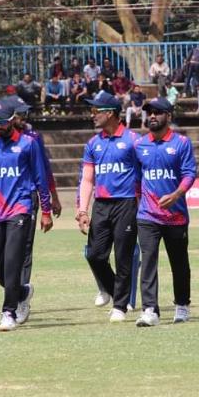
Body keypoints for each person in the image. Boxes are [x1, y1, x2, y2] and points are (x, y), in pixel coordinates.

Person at [0, 99, 53, 332]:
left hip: (20, 209)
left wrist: (46, 210)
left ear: (13, 119)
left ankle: (8, 312)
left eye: (3, 121)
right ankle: (22, 292)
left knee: (12, 261)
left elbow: (40, 178)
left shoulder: (27, 144)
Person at [76, 91, 141, 322]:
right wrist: (83, 209)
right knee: (94, 255)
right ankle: (116, 292)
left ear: (111, 113)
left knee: (123, 256)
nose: (92, 115)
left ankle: (120, 307)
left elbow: (144, 174)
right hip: (101, 205)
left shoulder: (134, 141)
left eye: (96, 111)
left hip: (126, 204)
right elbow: (87, 179)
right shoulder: (93, 143)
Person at [133, 97, 198, 327]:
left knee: (179, 263)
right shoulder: (139, 145)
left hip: (176, 216)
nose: (152, 116)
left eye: (157, 112)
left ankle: (182, 304)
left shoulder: (181, 143)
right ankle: (150, 309)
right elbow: (137, 179)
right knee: (148, 261)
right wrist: (141, 202)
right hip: (148, 216)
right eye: (149, 112)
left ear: (168, 116)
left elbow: (190, 173)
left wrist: (176, 195)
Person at [8, 97, 63, 288]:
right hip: (2, 198)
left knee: (25, 246)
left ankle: (21, 292)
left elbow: (44, 169)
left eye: (25, 114)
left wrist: (53, 198)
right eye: (20, 114)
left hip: (27, 196)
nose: (24, 118)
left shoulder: (33, 137)